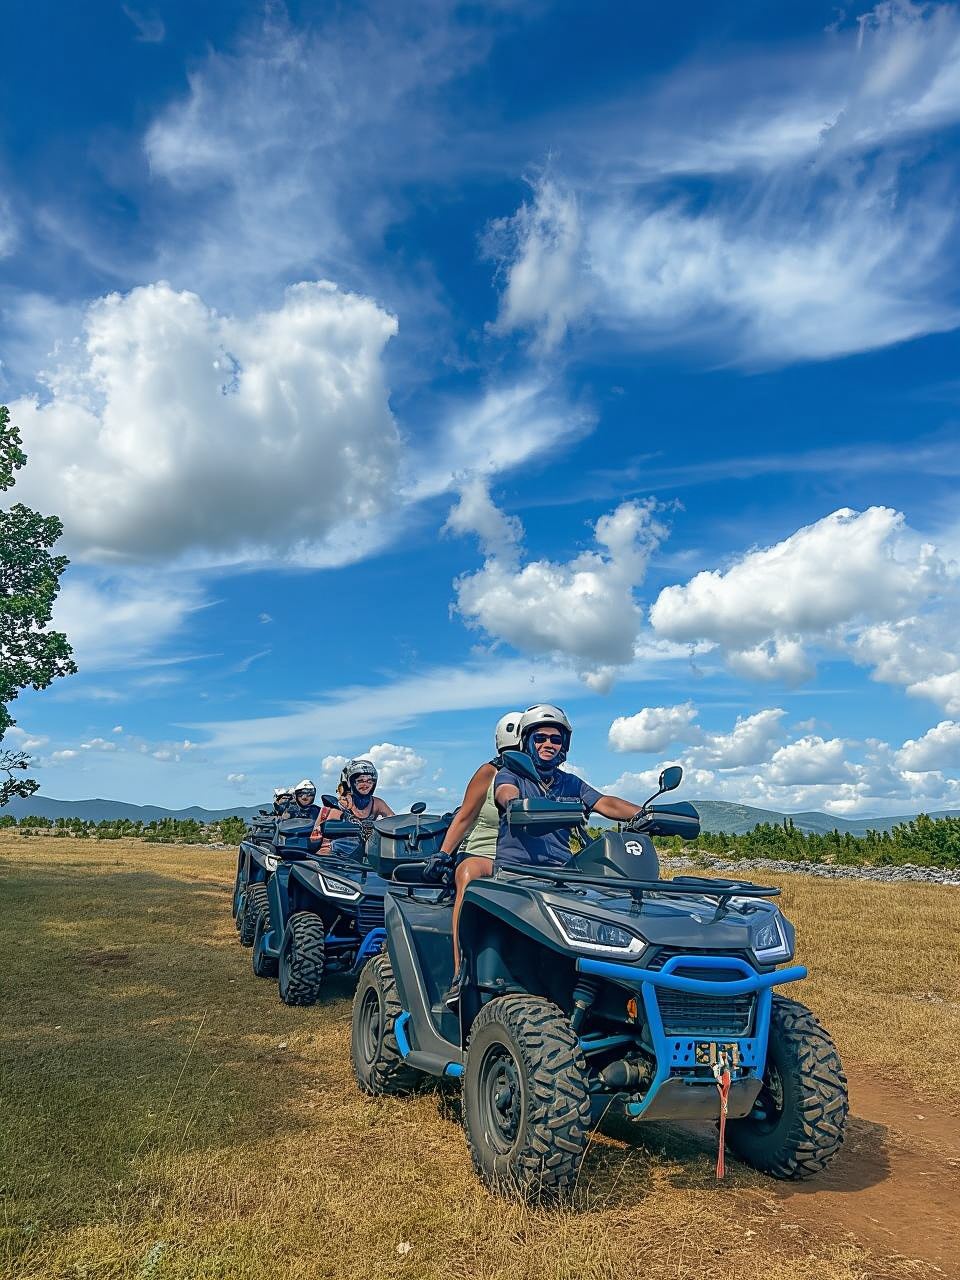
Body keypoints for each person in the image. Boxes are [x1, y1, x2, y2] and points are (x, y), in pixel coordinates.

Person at [432, 712, 523, 1007]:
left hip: (522, 860)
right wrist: (443, 854)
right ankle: (460, 973)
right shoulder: (489, 772)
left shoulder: (544, 778)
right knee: (469, 874)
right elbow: (465, 816)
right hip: (482, 852)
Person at [494, 704, 644, 869]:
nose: (548, 744)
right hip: (515, 870)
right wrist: (516, 804)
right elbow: (505, 792)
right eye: (540, 738)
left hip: (561, 871)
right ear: (526, 741)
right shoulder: (512, 773)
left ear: (563, 745)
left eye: (556, 740)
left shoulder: (570, 782)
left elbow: (606, 803)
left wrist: (649, 815)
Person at [311, 759, 394, 856]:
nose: (365, 784)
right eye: (360, 781)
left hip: (368, 851)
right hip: (339, 854)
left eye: (369, 781)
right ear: (351, 783)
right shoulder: (342, 804)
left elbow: (394, 821)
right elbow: (329, 830)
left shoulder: (377, 803)